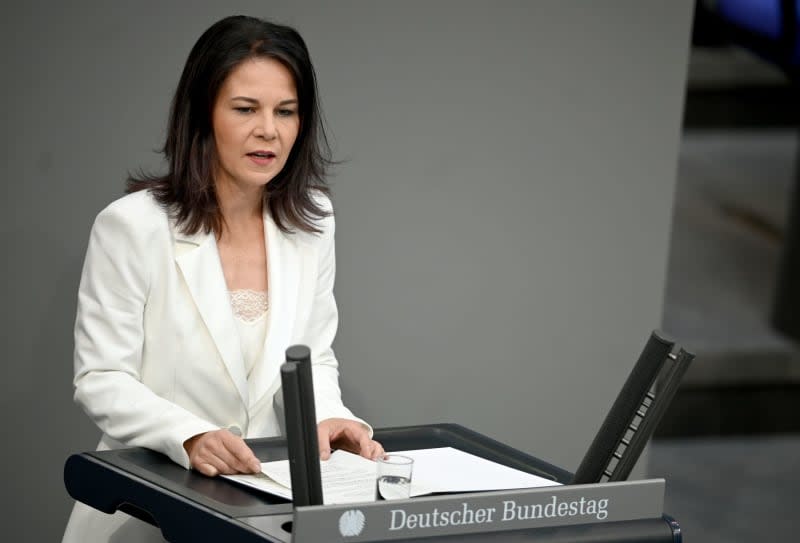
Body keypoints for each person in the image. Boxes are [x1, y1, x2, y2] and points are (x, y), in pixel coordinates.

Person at [62, 15, 382, 542]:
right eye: (244, 109)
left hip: (259, 512)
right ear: (203, 113)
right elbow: (101, 378)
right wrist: (187, 435)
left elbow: (312, 358)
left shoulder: (314, 222)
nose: (269, 131)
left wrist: (328, 420)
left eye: (286, 111)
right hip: (145, 511)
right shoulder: (132, 225)